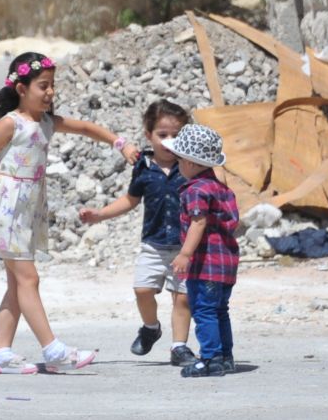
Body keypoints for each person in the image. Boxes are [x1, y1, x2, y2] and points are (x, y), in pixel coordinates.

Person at [0, 51, 141, 374]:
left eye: (52, 86)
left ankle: (2, 353)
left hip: (26, 210)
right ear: (21, 89)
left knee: (17, 284)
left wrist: (121, 143)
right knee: (29, 278)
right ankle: (53, 349)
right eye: (43, 86)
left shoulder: (46, 123)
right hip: (6, 207)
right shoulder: (10, 124)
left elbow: (85, 128)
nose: (50, 93)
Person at [79, 99, 196, 366]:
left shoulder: (191, 166)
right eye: (162, 135)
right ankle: (151, 327)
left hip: (184, 247)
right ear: (148, 135)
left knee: (183, 297)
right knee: (142, 290)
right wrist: (100, 214)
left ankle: (179, 347)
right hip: (153, 245)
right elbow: (131, 200)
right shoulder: (143, 166)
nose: (169, 141)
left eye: (176, 136)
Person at [164, 123, 240, 378]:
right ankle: (226, 357)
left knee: (204, 310)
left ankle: (210, 359)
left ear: (192, 163)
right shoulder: (220, 188)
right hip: (225, 264)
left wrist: (185, 254)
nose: (178, 165)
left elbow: (198, 221)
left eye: (180, 160)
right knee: (220, 310)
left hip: (206, 265)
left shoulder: (196, 190)